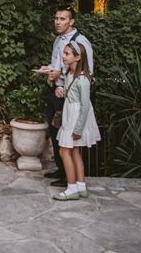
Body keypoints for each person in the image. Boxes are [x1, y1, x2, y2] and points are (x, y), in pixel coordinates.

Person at [38, 6, 93, 188]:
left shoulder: (81, 42)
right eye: (56, 18)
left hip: (70, 98)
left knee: (68, 139)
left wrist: (59, 76)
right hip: (56, 91)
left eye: (62, 19)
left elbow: (86, 71)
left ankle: (68, 178)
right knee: (55, 133)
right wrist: (48, 70)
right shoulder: (57, 41)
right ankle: (61, 170)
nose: (58, 22)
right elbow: (57, 64)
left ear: (71, 21)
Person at [53, 41, 101, 200]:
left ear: (78, 57)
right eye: (64, 53)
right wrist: (61, 90)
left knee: (64, 150)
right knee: (74, 151)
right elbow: (70, 93)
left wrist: (78, 128)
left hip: (76, 116)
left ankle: (72, 187)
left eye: (67, 54)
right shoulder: (70, 74)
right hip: (71, 113)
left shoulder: (82, 79)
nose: (63, 56)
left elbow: (85, 105)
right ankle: (81, 186)